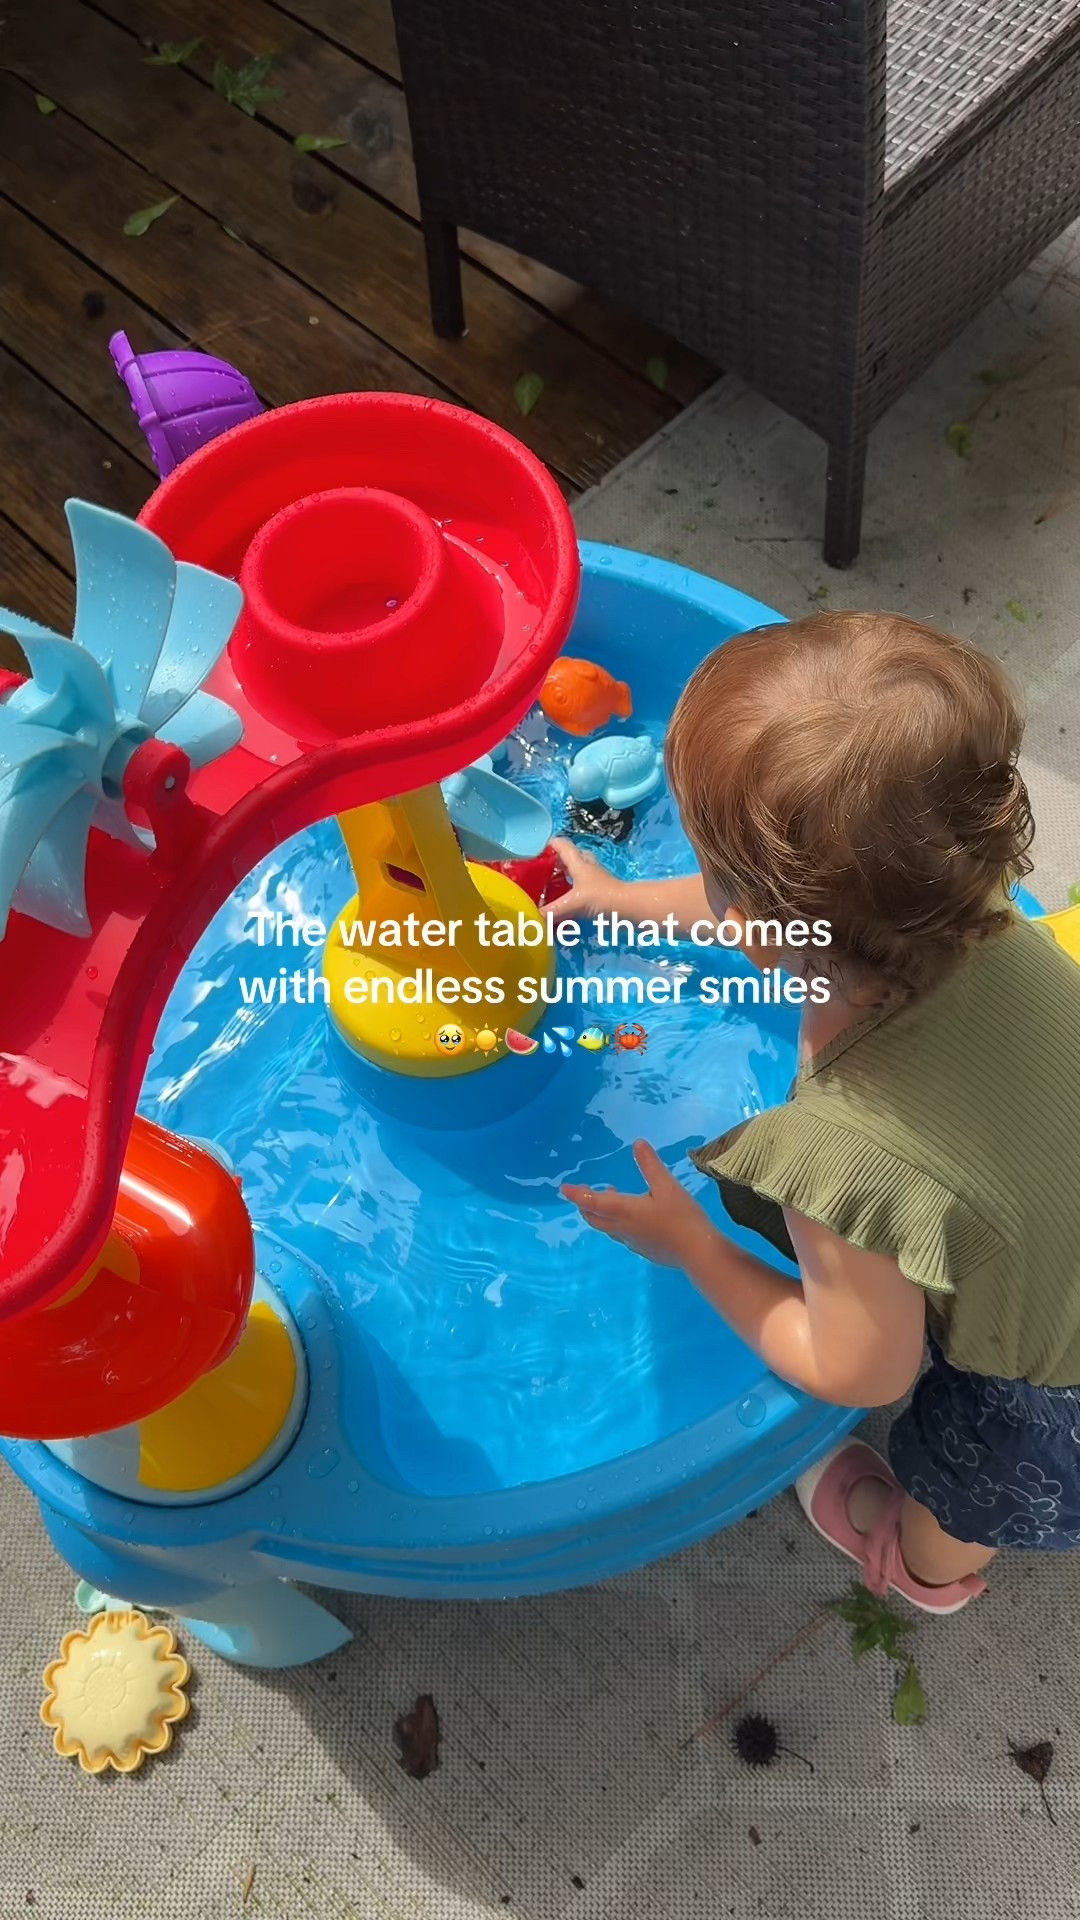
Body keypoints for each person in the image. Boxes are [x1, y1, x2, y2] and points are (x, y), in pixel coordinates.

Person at [557, 610, 1080, 1613]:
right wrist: (620, 900)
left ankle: (925, 1569)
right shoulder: (968, 905)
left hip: (1060, 1397)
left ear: (761, 926)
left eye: (713, 873)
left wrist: (692, 1246)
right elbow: (771, 913)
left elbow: (862, 1373)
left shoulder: (840, 1157)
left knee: (974, 1476)